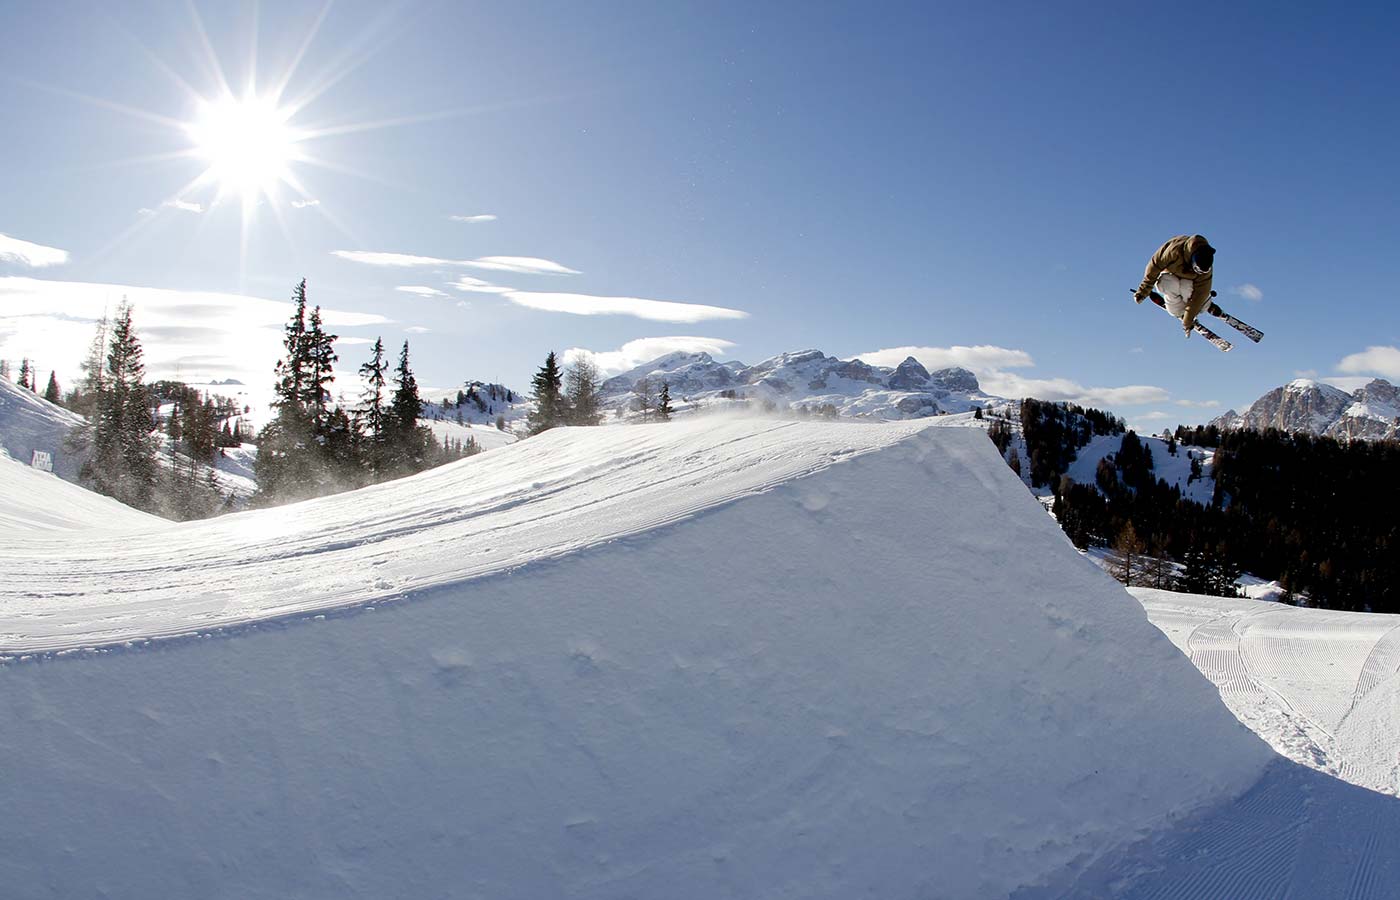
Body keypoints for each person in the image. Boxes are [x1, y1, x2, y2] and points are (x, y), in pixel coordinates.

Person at [1133, 234, 1215, 334]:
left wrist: (1188, 319)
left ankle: (1204, 304)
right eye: (1198, 270)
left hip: (1189, 284)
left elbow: (1201, 292)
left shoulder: (1205, 268)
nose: (1200, 273)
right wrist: (1143, 291)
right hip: (1170, 276)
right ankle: (1179, 311)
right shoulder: (1174, 251)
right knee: (1168, 283)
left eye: (1203, 272)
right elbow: (1154, 267)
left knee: (1186, 286)